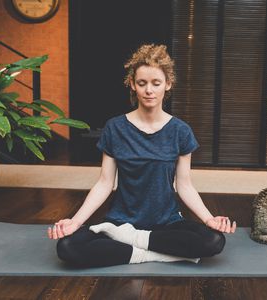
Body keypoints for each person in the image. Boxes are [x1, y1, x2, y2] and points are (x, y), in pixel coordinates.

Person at [47, 44, 236, 268]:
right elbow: (105, 183)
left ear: (168, 84)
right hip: (120, 224)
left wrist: (208, 218)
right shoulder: (115, 128)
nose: (149, 90)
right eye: (142, 83)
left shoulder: (180, 131)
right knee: (67, 247)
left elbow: (184, 185)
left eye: (156, 83)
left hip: (166, 223)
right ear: (132, 85)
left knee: (213, 241)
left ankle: (134, 245)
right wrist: (76, 221)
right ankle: (156, 252)